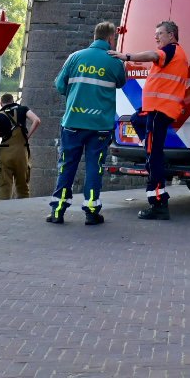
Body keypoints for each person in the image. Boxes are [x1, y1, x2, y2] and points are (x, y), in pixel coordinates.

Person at [48, 19, 129, 225]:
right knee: (94, 168)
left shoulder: (74, 57)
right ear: (111, 38)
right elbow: (121, 82)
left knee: (66, 165)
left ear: (94, 36)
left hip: (73, 122)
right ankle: (91, 212)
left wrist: (76, 96)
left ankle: (58, 211)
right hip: (100, 126)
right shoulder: (115, 62)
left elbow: (59, 85)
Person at [112, 18, 190, 220]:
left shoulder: (171, 50)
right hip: (154, 111)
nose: (156, 36)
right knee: (137, 119)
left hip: (159, 111)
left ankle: (158, 205)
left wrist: (126, 56)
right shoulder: (175, 53)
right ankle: (147, 145)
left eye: (160, 33)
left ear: (171, 35)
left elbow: (152, 55)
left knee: (153, 158)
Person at [0, 92, 41, 200]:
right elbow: (37, 120)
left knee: (3, 189)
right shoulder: (23, 109)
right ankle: (23, 213)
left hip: (5, 154)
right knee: (23, 188)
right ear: (13, 101)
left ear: (1, 103)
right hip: (22, 153)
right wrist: (28, 136)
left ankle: (4, 214)